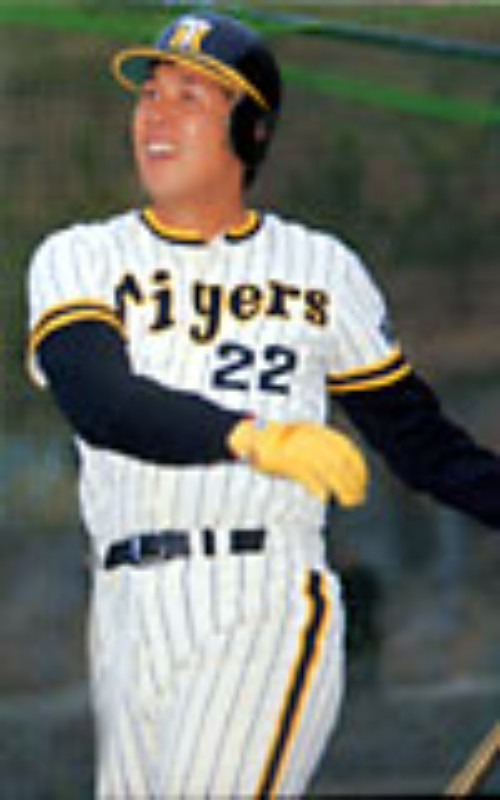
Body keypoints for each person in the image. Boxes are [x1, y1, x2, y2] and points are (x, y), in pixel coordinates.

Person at [26, 11, 499, 799]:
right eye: (150, 93)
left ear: (251, 130)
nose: (157, 115)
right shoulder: (80, 256)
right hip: (126, 608)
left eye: (190, 97)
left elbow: (424, 447)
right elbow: (99, 400)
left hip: (261, 595)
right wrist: (251, 437)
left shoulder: (320, 269)